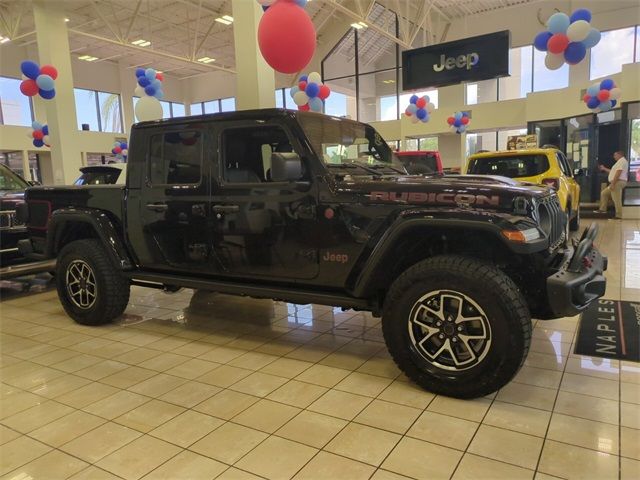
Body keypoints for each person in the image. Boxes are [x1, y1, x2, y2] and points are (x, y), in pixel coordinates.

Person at [595, 151, 629, 219]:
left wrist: (613, 183)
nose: (614, 157)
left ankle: (618, 216)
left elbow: (618, 173)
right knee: (604, 193)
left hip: (617, 182)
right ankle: (603, 209)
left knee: (616, 199)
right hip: (615, 182)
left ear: (620, 155)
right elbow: (613, 171)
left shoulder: (622, 161)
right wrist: (604, 168)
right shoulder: (620, 162)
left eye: (615, 155)